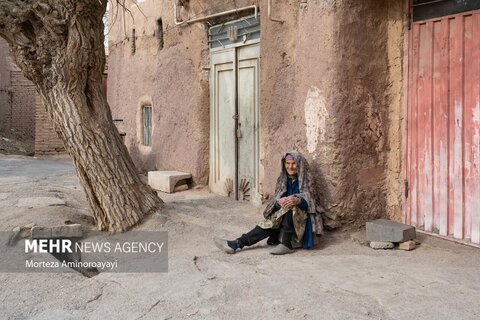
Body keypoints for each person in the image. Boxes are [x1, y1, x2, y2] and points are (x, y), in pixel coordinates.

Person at [214, 151, 317, 255]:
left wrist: (297, 200)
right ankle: (236, 244)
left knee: (290, 205)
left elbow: (311, 204)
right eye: (287, 163)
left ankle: (287, 244)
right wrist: (279, 202)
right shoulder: (283, 179)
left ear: (299, 164)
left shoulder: (306, 180)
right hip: (282, 218)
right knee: (267, 225)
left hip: (299, 223)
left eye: (294, 163)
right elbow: (276, 200)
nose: (290, 167)